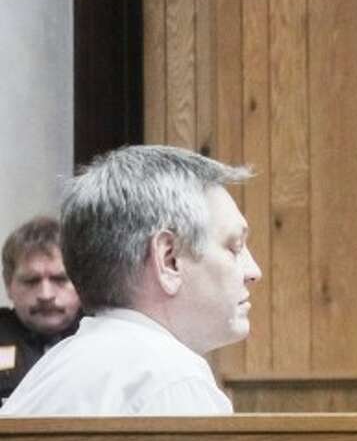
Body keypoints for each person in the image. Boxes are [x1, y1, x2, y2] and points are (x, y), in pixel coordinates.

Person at [0, 145, 262, 416]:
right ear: (169, 260)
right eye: (235, 246)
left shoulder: (52, 369)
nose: (254, 271)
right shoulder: (169, 379)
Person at [0, 217, 82, 401]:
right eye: (31, 281)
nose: (46, 295)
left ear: (81, 281)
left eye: (60, 279)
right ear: (8, 284)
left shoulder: (106, 336)